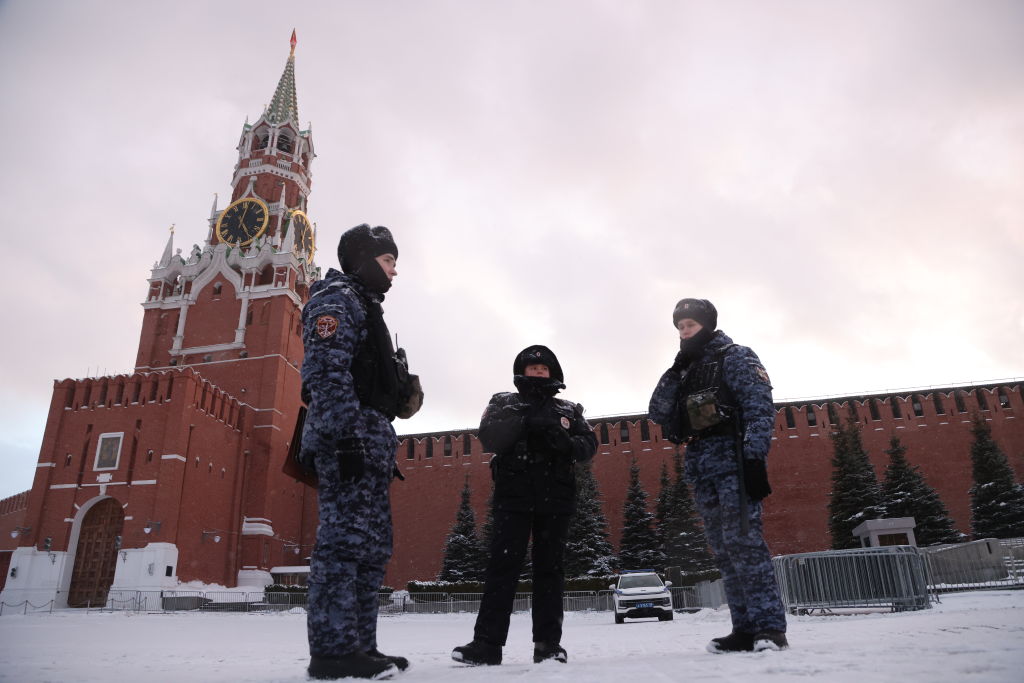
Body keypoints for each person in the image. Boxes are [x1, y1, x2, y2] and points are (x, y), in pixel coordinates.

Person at [299, 224, 422, 680]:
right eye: (389, 261)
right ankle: (331, 652)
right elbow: (325, 372)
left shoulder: (367, 309)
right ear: (365, 259)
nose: (394, 271)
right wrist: (345, 435)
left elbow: (364, 376)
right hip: (347, 437)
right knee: (342, 543)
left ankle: (361, 647)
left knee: (371, 547)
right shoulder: (336, 300)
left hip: (373, 439)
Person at [648, 298, 788, 653]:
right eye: (679, 326)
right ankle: (743, 629)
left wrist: (755, 458)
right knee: (724, 551)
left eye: (690, 323)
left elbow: (759, 408)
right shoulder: (687, 368)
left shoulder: (735, 356)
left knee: (745, 543)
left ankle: (769, 628)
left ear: (707, 324)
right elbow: (658, 413)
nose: (684, 330)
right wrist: (675, 370)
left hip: (735, 462)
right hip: (701, 465)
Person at [452, 345, 598, 666]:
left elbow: (588, 445)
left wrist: (565, 442)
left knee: (550, 571)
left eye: (543, 369)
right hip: (513, 497)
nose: (537, 372)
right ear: (522, 372)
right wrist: (525, 421)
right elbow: (488, 437)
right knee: (502, 569)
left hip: (555, 499)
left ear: (553, 373)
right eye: (532, 368)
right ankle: (487, 644)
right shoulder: (503, 402)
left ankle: (547, 645)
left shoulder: (569, 410)